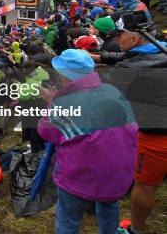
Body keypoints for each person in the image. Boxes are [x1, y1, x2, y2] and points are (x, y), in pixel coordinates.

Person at [37, 49, 138, 234]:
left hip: (80, 175)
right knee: (109, 206)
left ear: (65, 77)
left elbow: (45, 131)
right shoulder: (112, 90)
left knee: (68, 218)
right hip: (119, 171)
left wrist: (52, 103)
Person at [100, 13, 167, 234]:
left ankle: (135, 229)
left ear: (134, 38)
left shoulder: (125, 71)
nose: (117, 40)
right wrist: (97, 56)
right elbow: (127, 57)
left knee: (145, 185)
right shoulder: (161, 48)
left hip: (155, 136)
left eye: (120, 35)